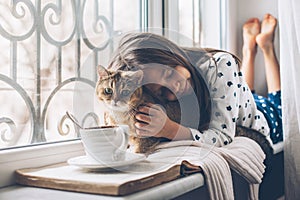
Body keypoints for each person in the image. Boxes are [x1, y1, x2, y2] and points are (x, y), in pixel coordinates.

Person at [107, 31, 270, 147]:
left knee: (277, 100)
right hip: (236, 99)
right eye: (161, 92)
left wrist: (169, 129)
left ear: (172, 54)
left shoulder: (220, 65)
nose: (174, 88)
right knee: (245, 91)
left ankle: (258, 49)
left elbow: (223, 136)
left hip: (262, 117)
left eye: (169, 74)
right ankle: (250, 52)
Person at [241, 13, 282, 144]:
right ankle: (252, 50)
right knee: (244, 96)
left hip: (259, 116)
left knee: (279, 105)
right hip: (257, 114)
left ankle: (254, 49)